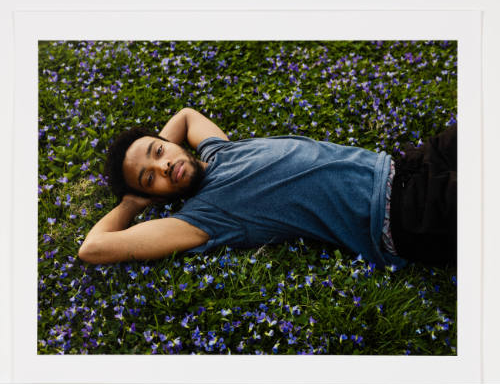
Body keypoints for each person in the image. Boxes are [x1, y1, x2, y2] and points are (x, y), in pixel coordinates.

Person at [78, 108, 457, 269]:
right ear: (154, 194)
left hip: (407, 163)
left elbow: (186, 116)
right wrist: (133, 202)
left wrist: (158, 151)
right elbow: (93, 248)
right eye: (150, 177)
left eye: (158, 152)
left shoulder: (217, 149)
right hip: (407, 213)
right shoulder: (202, 218)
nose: (163, 166)